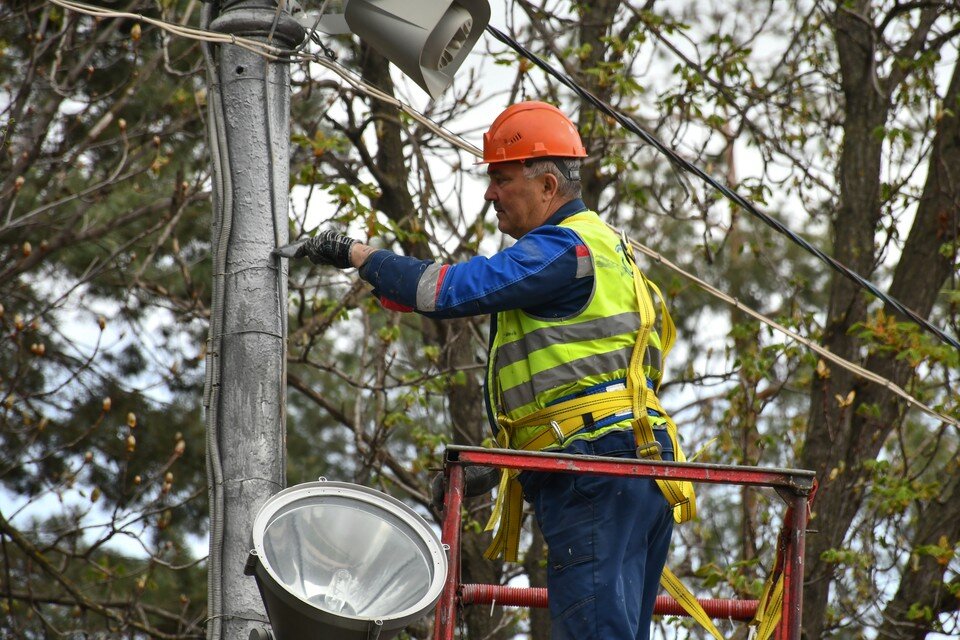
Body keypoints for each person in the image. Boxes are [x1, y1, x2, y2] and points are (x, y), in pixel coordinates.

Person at [287, 101, 693, 640]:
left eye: (501, 179)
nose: (489, 193)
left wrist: (359, 255)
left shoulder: (562, 250)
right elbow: (579, 385)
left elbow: (447, 290)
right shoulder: (608, 250)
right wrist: (504, 463)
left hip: (598, 469)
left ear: (548, 186)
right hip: (629, 463)